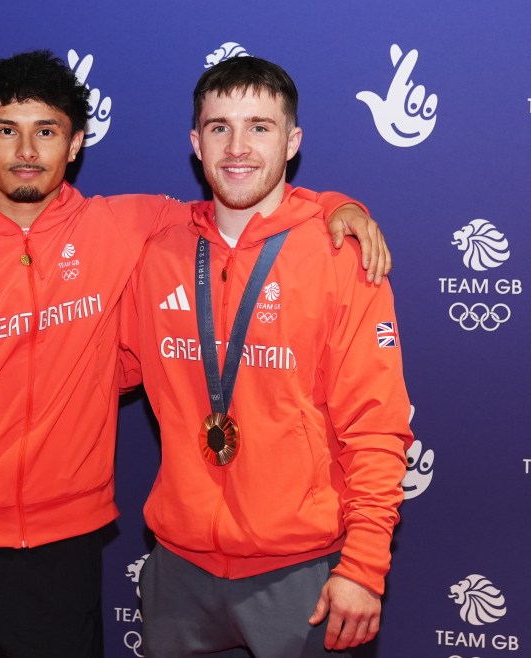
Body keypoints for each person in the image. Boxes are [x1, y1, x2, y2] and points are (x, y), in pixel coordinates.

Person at [0, 50, 388, 658]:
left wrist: (337, 206)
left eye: (47, 131)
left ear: (76, 142)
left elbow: (243, 199)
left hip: (65, 547)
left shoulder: (126, 226)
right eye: (7, 131)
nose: (27, 150)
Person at [124, 56, 414, 657]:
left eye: (259, 126)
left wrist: (362, 566)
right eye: (219, 127)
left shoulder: (341, 254)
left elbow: (377, 424)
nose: (238, 147)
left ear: (293, 141)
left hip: (303, 574)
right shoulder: (155, 252)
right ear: (195, 142)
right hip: (177, 573)